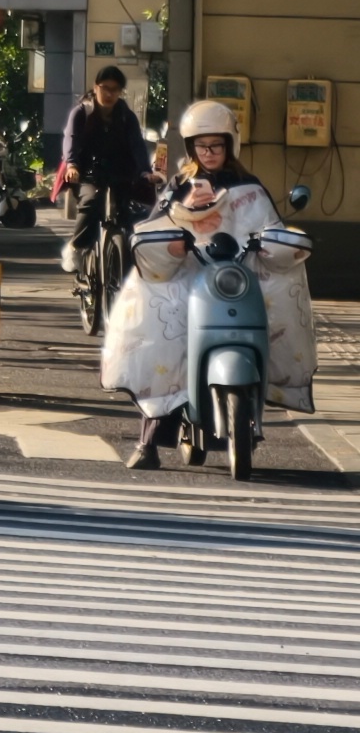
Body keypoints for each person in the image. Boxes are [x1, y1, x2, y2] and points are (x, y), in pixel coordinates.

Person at [103, 97, 319, 464]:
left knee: (276, 311)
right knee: (163, 331)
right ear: (191, 148)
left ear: (229, 144)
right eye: (201, 146)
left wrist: (271, 247)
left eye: (216, 145)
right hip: (189, 277)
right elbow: (156, 227)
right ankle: (149, 442)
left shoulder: (248, 186)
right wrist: (184, 215)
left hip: (236, 279)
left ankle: (257, 400)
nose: (209, 152)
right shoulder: (181, 184)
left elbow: (270, 228)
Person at [55, 61, 153, 299]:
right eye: (105, 88)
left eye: (115, 89)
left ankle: (124, 270)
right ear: (95, 87)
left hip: (120, 173)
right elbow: (71, 139)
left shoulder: (125, 117)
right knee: (92, 202)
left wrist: (144, 171)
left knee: (127, 218)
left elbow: (137, 146)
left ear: (120, 92)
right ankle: (77, 247)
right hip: (87, 172)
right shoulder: (82, 112)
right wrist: (72, 164)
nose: (109, 94)